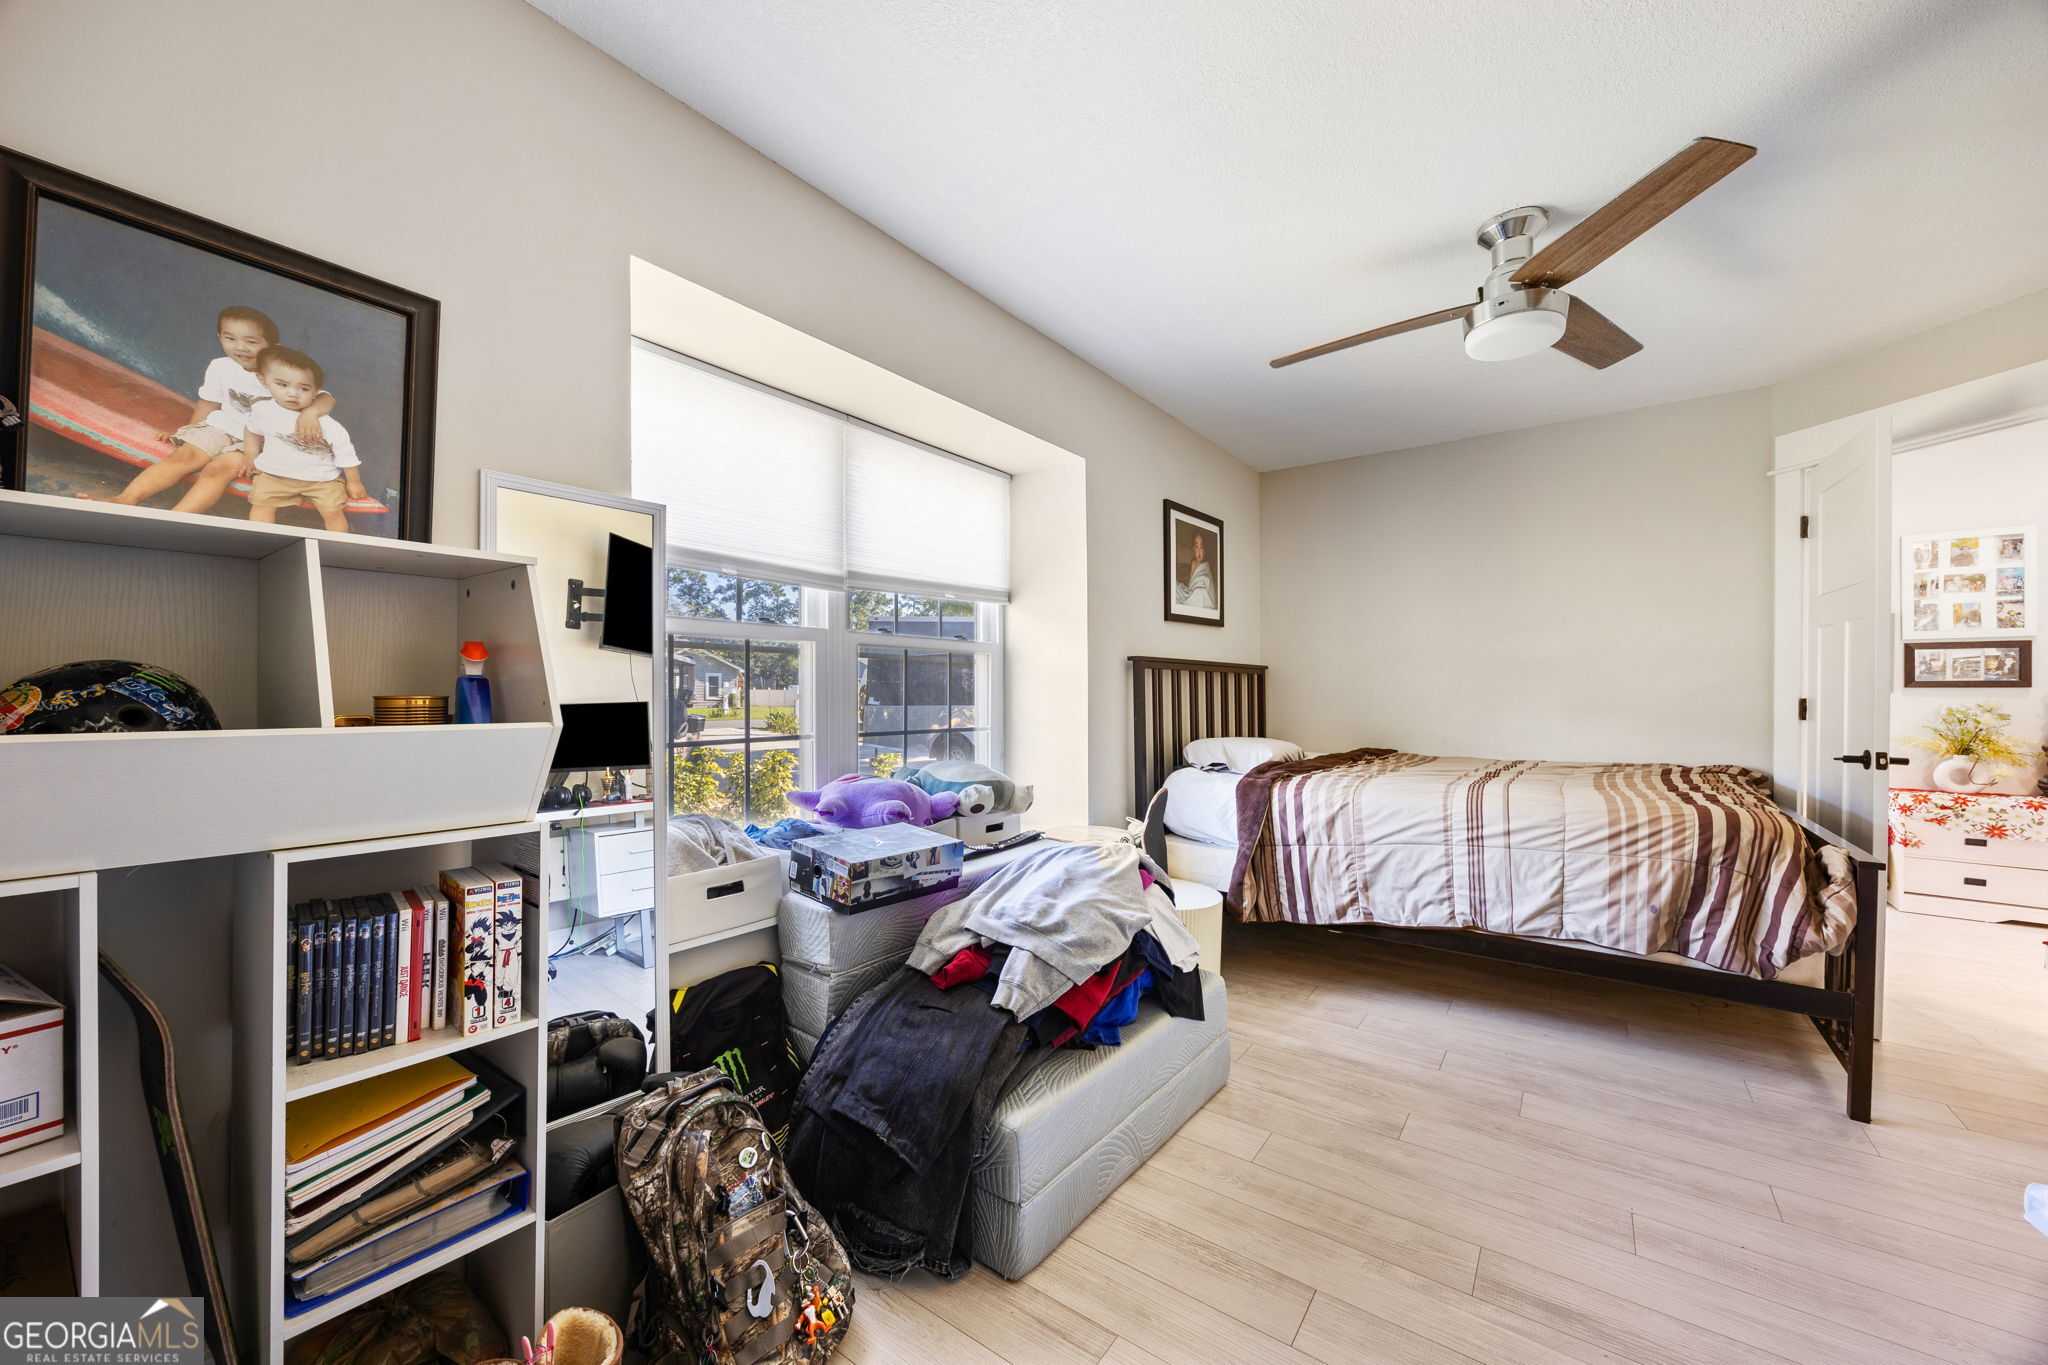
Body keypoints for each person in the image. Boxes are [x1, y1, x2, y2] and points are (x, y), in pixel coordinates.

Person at [88, 305, 332, 507]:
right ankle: (125, 499)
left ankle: (177, 520)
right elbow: (209, 402)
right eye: (230, 339)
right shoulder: (220, 366)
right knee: (183, 457)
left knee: (218, 470)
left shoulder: (283, 372)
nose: (240, 347)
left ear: (273, 346)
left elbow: (325, 398)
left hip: (256, 442)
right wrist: (188, 432)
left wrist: (310, 413)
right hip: (220, 428)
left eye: (251, 341)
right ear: (220, 338)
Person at [230, 346, 364, 532]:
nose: (293, 393)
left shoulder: (326, 423)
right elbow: (252, 430)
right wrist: (250, 456)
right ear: (263, 380)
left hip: (321, 480)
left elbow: (346, 454)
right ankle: (260, 539)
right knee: (261, 506)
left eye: (304, 388)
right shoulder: (263, 410)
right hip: (274, 475)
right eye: (282, 385)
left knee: (333, 512)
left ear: (316, 391)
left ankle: (340, 544)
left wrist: (354, 482)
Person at [1175, 530, 1217, 611]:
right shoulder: (1193, 563)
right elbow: (1191, 585)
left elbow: (1206, 580)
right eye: (1196, 547)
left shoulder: (1206, 566)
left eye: (1201, 547)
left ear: (1205, 549)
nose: (1199, 551)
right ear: (1193, 549)